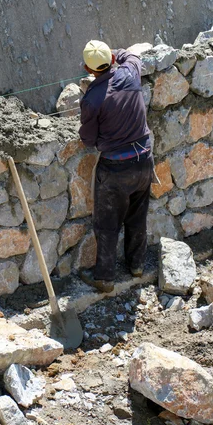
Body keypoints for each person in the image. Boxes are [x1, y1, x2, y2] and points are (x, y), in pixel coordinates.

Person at [78, 39, 154, 293]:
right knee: (137, 217)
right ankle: (137, 266)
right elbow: (131, 55)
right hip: (144, 160)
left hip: (115, 169)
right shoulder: (130, 73)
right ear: (111, 60)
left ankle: (105, 278)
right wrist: (114, 53)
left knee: (108, 223)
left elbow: (87, 139)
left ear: (89, 70)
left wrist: (104, 140)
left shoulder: (92, 99)